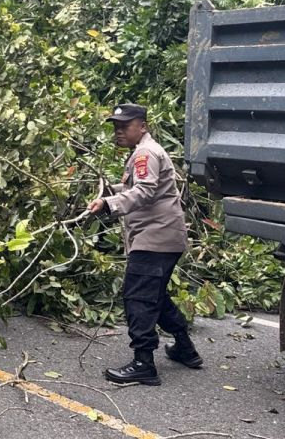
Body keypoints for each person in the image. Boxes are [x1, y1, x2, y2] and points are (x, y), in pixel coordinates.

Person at [88, 103, 203, 385]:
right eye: (116, 127)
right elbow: (139, 187)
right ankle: (185, 348)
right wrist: (112, 191)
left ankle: (143, 363)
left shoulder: (145, 153)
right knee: (155, 295)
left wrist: (108, 204)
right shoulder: (143, 152)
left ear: (143, 126)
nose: (118, 132)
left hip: (156, 239)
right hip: (162, 238)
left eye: (124, 127)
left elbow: (145, 191)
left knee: (137, 296)